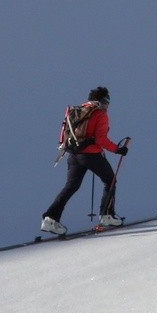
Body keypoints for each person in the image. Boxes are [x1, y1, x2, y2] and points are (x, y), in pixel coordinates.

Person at [41, 86, 128, 234]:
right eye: (107, 101)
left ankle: (50, 219)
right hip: (92, 156)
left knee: (71, 186)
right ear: (101, 101)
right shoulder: (100, 114)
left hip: (73, 155)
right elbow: (101, 139)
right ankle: (107, 215)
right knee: (110, 181)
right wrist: (117, 150)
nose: (108, 105)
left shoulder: (78, 110)